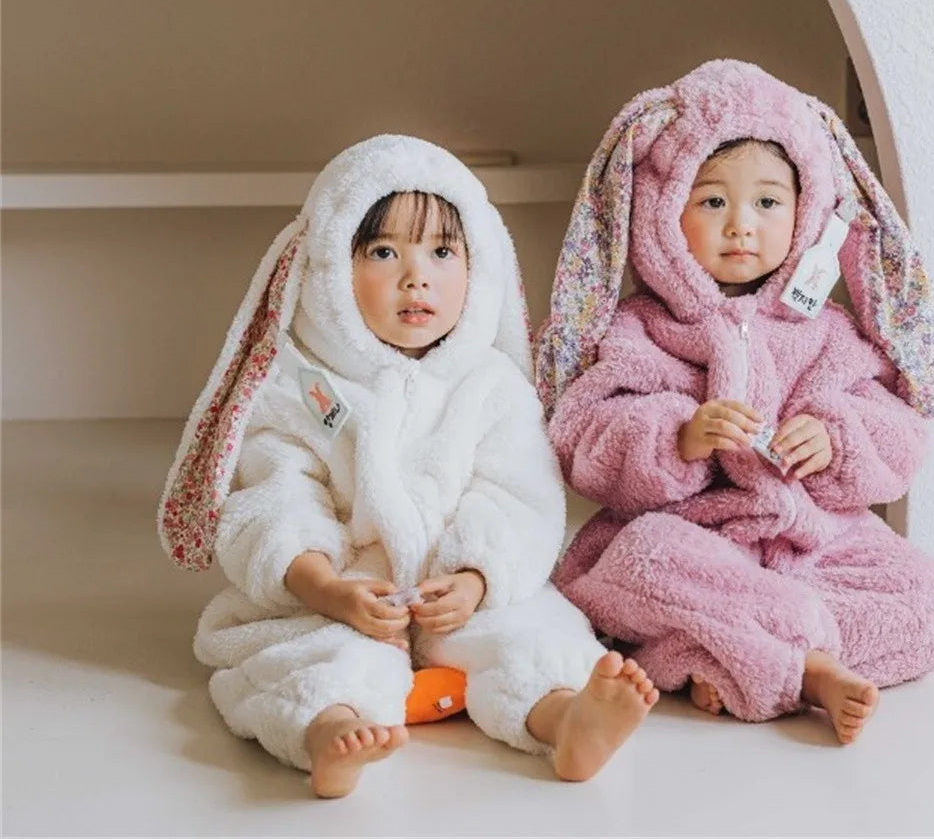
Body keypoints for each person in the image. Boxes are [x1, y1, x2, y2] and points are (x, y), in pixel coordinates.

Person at [157, 134, 657, 798]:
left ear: (477, 269)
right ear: (331, 269)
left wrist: (479, 577)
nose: (415, 275)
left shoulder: (491, 385)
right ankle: (328, 729)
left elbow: (518, 495)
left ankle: (566, 718)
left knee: (529, 632)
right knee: (313, 655)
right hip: (342, 594)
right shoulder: (301, 387)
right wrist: (327, 587)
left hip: (458, 594)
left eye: (442, 252)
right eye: (384, 251)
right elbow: (275, 500)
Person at [535, 60, 934, 744]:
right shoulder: (639, 330)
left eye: (767, 203)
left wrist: (838, 437)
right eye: (711, 202)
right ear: (661, 213)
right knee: (639, 562)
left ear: (807, 211)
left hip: (810, 546)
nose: (742, 226)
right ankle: (802, 666)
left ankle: (720, 656)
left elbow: (898, 433)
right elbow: (583, 435)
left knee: (930, 603)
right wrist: (678, 437)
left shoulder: (825, 331)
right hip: (695, 546)